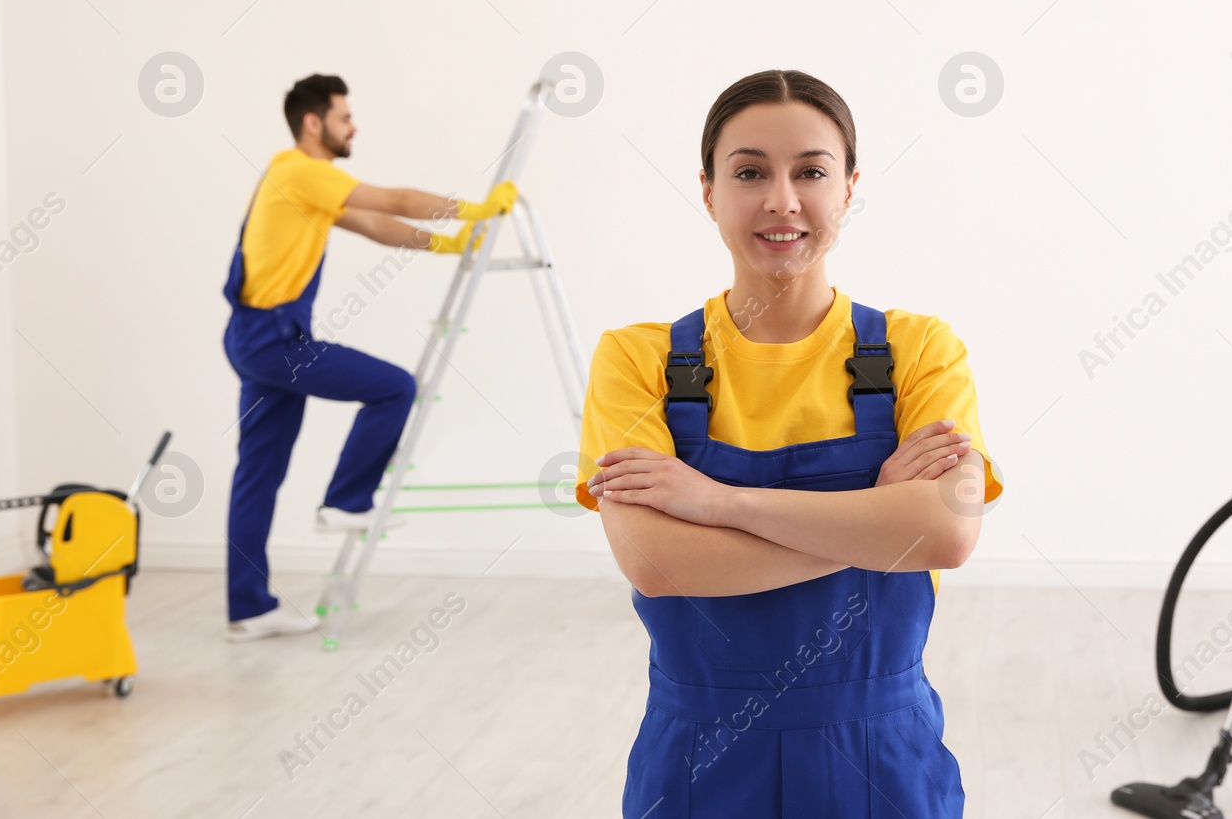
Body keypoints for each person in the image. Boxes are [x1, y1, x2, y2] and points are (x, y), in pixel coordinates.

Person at [575, 69, 1002, 818]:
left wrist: (717, 502)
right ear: (707, 191)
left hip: (883, 761)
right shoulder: (636, 359)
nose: (782, 199)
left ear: (848, 187)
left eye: (811, 170)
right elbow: (656, 561)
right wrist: (879, 517)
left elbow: (948, 531)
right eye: (749, 172)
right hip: (698, 765)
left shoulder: (919, 349)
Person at [222, 73, 518, 641]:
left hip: (257, 336)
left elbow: (374, 224)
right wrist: (474, 211)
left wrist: (445, 243)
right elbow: (394, 199)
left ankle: (249, 607)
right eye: (344, 116)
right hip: (276, 341)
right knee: (394, 387)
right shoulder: (304, 170)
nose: (353, 125)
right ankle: (345, 499)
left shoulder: (298, 181)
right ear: (315, 123)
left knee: (257, 474)